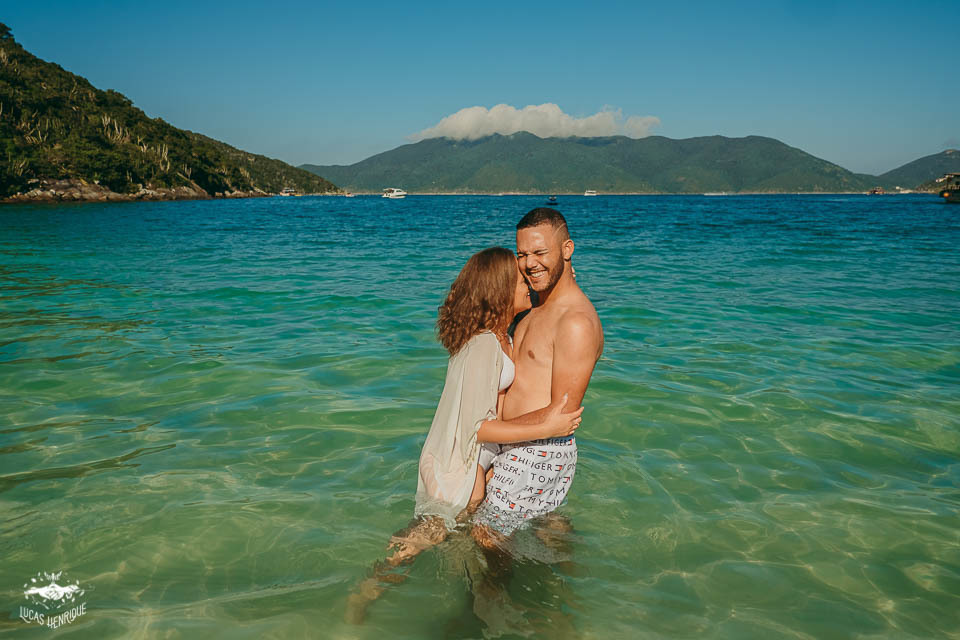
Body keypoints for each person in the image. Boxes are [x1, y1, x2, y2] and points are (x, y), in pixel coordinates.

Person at [346, 246, 584, 623]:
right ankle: (366, 591)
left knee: (450, 535)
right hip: (454, 460)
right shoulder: (483, 345)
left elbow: (494, 410)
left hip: (471, 459)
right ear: (500, 288)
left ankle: (483, 597)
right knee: (424, 538)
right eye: (520, 279)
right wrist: (547, 427)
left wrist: (495, 464)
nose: (529, 282)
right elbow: (477, 426)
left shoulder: (500, 338)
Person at [474, 208, 603, 538]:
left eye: (540, 252)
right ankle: (558, 553)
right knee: (509, 534)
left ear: (567, 249)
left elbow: (561, 414)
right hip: (512, 442)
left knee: (484, 537)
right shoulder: (533, 306)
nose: (530, 263)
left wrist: (488, 432)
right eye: (522, 254)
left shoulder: (575, 322)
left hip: (537, 450)